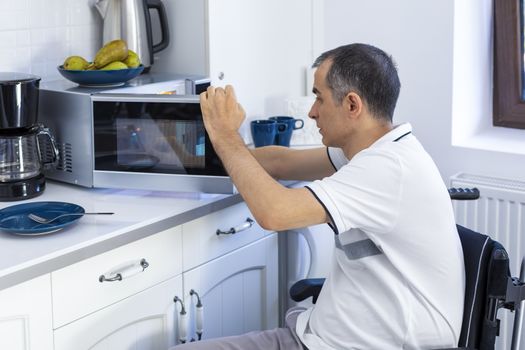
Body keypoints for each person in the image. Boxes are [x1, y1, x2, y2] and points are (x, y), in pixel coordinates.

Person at [171, 43, 465, 350]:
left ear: (352, 105)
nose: (312, 112)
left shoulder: (388, 169)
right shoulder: (377, 151)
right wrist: (197, 150)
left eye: (319, 97)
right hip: (317, 336)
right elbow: (279, 162)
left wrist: (226, 135)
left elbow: (274, 213)